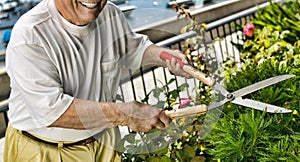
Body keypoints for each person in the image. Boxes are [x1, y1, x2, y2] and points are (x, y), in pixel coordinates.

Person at [3, 0, 191, 161]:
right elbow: (52, 111)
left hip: (104, 142)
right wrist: (126, 114)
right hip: (45, 151)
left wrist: (168, 57)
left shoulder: (109, 13)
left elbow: (133, 49)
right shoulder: (29, 34)